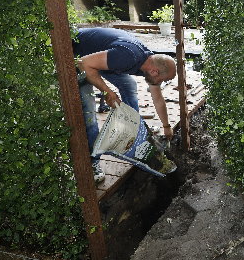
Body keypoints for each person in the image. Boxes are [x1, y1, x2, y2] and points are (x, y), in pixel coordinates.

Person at [73, 27, 177, 183]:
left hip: (100, 56)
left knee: (129, 85)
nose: (161, 83)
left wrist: (166, 126)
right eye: (162, 80)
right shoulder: (128, 56)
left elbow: (158, 98)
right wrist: (108, 92)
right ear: (155, 72)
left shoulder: (148, 61)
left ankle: (132, 130)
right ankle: (92, 163)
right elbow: (84, 63)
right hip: (77, 57)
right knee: (89, 115)